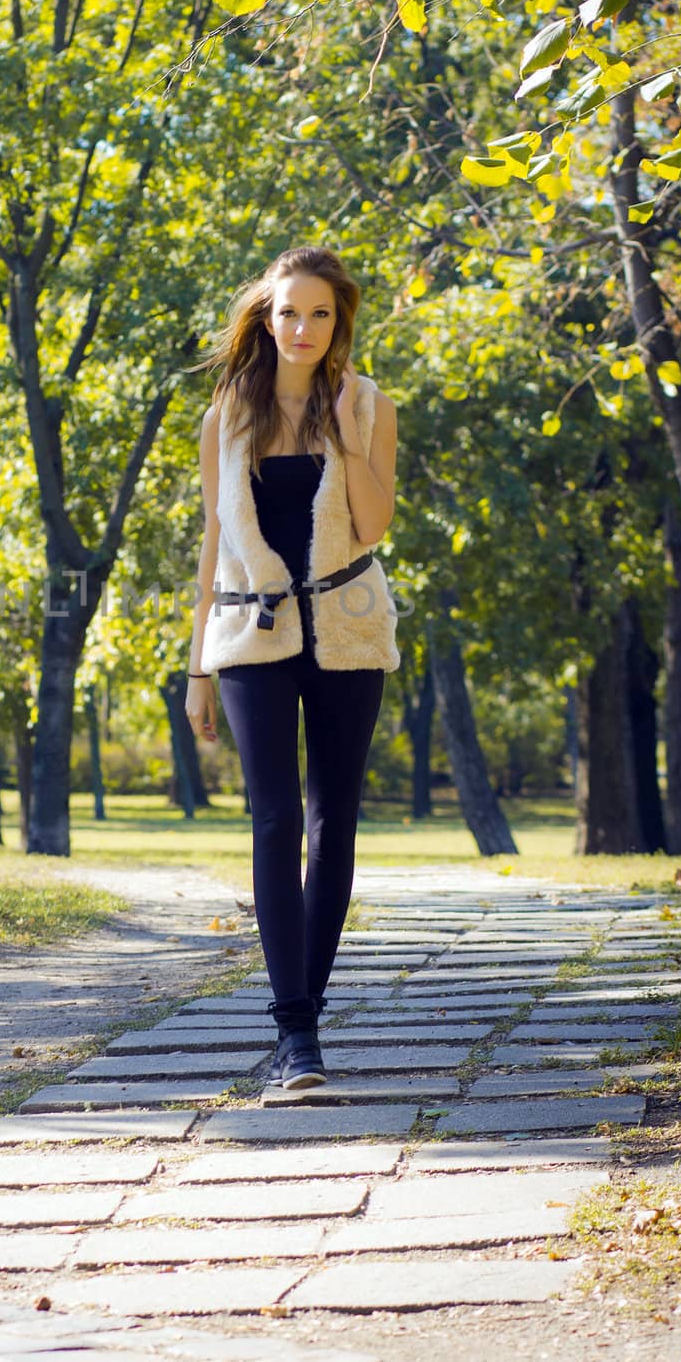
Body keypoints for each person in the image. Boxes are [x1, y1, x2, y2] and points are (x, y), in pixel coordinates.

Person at [185, 245, 400, 1091]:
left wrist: (346, 437)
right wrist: (196, 665)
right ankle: (294, 1033)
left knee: (331, 820)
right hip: (250, 635)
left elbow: (376, 526)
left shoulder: (370, 405)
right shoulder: (225, 418)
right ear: (263, 318)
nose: (301, 329)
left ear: (337, 319)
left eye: (318, 314)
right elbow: (211, 541)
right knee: (273, 820)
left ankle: (302, 1017)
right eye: (287, 313)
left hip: (347, 628)